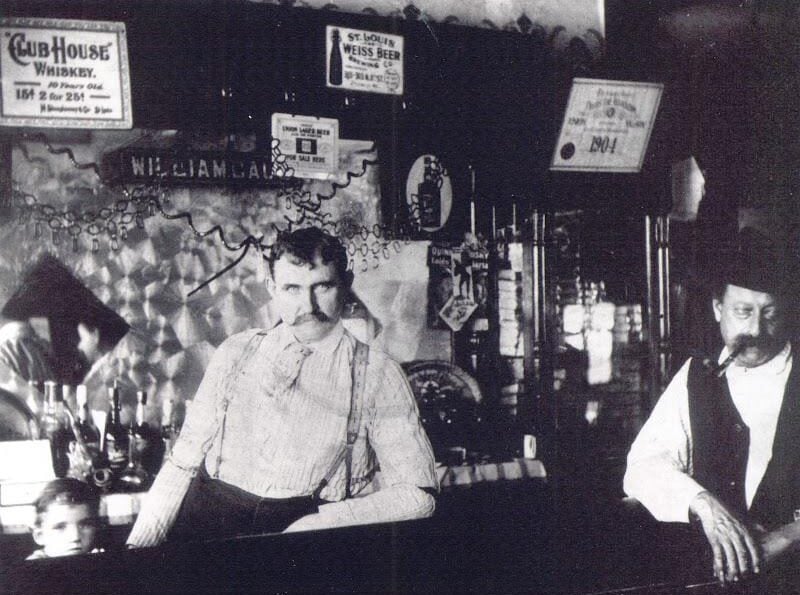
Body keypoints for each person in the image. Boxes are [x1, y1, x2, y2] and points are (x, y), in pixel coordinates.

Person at [127, 227, 438, 547]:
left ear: (346, 283)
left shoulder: (378, 373)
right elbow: (181, 464)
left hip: (303, 546)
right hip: (204, 532)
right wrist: (137, 549)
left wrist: (322, 522)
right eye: (292, 288)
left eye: (323, 286)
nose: (308, 305)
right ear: (272, 288)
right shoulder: (237, 352)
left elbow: (419, 496)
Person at [624, 227, 800, 587]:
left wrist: (790, 535)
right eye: (743, 312)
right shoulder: (697, 375)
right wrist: (704, 504)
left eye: (769, 314)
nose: (756, 329)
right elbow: (642, 465)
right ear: (718, 308)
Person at [27, 478, 103, 560]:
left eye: (85, 525)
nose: (75, 537)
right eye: (60, 527)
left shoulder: (98, 558)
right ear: (40, 535)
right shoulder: (33, 566)